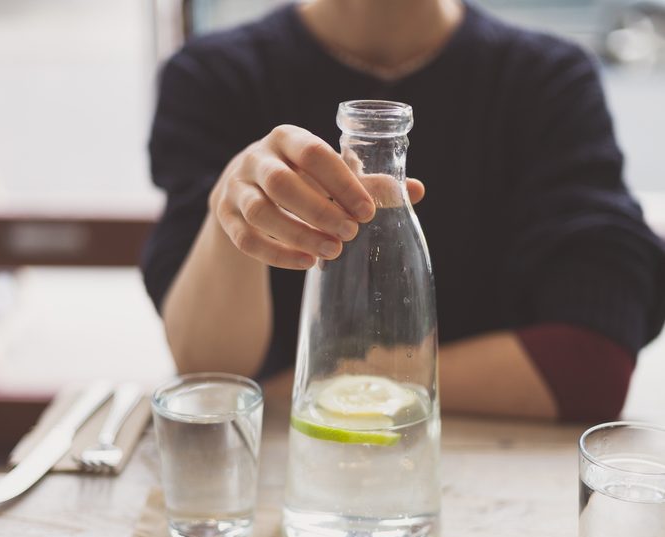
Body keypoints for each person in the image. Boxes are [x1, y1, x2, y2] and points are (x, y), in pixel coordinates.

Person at [142, 0, 665, 421]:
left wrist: (313, 388)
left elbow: (593, 359)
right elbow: (209, 372)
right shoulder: (214, 74)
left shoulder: (547, 80)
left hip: (483, 479)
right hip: (291, 475)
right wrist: (232, 209)